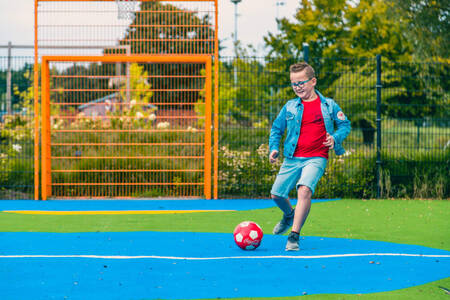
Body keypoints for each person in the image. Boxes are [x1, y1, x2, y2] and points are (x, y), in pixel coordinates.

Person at [268, 62, 351, 251]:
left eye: (301, 83)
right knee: (276, 194)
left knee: (304, 190)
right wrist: (274, 148)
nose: (297, 87)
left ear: (313, 81)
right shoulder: (290, 107)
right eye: (293, 84)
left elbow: (345, 125)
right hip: (292, 157)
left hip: (317, 157)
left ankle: (294, 236)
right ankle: (289, 215)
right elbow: (276, 129)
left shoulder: (329, 105)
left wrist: (335, 138)